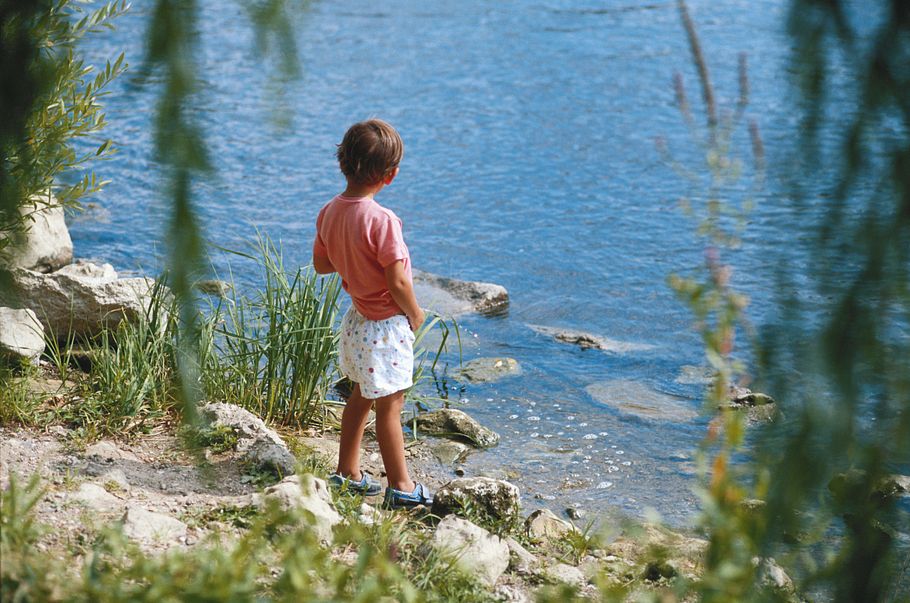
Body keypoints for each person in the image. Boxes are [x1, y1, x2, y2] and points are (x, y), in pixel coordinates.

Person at [312, 118, 432, 508]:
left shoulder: (330, 211)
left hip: (358, 321)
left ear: (342, 162)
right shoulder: (382, 221)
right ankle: (401, 486)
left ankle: (347, 471)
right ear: (391, 175)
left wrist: (352, 259)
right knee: (391, 407)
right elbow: (397, 281)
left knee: (361, 395)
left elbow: (322, 265)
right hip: (386, 326)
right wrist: (415, 313)